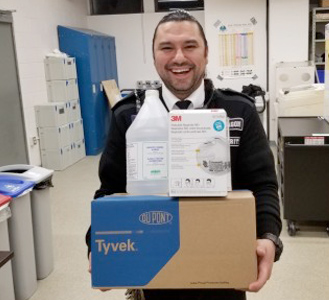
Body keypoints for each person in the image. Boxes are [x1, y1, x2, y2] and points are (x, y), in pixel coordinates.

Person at [86, 9, 282, 300]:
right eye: (167, 48)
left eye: (190, 46)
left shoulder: (238, 112)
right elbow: (110, 190)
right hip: (153, 272)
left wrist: (268, 238)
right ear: (154, 56)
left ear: (206, 53)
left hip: (222, 273)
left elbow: (263, 186)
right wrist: (97, 244)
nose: (179, 57)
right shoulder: (128, 116)